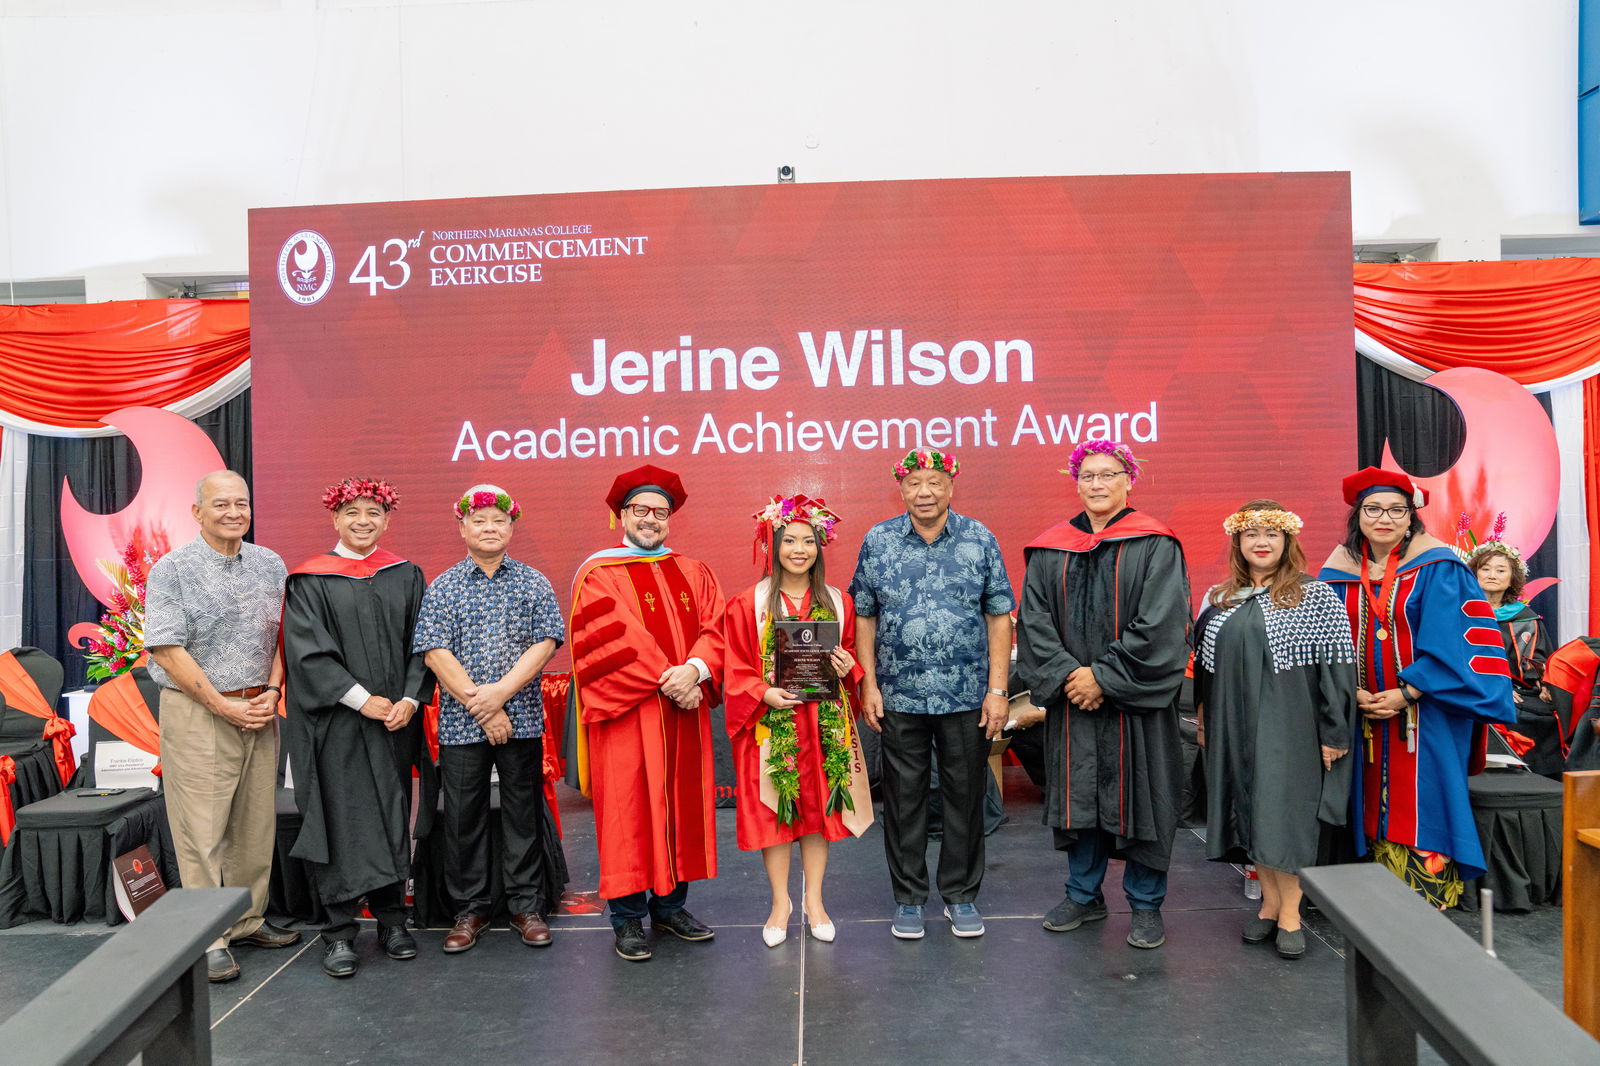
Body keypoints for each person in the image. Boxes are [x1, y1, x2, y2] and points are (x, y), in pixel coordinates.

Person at [1015, 440, 1190, 951]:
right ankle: (1083, 895)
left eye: (1108, 474)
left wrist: (1104, 678)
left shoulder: (1156, 543)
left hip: (1133, 703)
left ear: (1128, 480)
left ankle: (1145, 905)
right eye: (1088, 475)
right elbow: (1035, 622)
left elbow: (1160, 623)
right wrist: (1073, 676)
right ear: (1076, 483)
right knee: (1079, 799)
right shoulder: (1051, 547)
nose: (1097, 483)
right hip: (1076, 703)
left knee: (1144, 798)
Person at [1318, 467, 1516, 908]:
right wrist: (1350, 691)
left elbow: (1459, 640)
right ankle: (1371, 898)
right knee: (1364, 796)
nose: (1384, 517)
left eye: (1396, 509)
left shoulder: (1439, 567)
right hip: (1360, 712)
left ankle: (1425, 900)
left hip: (1429, 712)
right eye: (1373, 508)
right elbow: (1321, 641)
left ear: (1412, 516)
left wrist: (1408, 691)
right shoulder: (1336, 572)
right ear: (1358, 515)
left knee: (1425, 797)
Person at [849, 449, 1014, 940]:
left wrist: (998, 690)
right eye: (916, 483)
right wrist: (869, 682)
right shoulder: (878, 540)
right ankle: (909, 898)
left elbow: (999, 614)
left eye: (935, 482)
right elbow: (864, 613)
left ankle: (961, 896)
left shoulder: (978, 538)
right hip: (898, 696)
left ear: (951, 486)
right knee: (903, 801)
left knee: (966, 797)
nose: (925, 492)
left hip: (967, 696)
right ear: (901, 488)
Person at [144, 470, 299, 983]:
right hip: (198, 709)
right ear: (197, 512)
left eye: (242, 503)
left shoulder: (269, 563)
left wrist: (273, 692)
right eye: (221, 504)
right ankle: (210, 937)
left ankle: (249, 919)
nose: (234, 512)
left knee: (255, 824)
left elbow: (284, 639)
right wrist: (221, 705)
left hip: (259, 708)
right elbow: (168, 650)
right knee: (201, 830)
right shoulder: (173, 569)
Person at [568, 465, 725, 961]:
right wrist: (674, 680)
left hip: (683, 713)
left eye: (661, 512)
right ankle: (628, 917)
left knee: (679, 807)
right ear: (621, 515)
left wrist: (696, 669)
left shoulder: (694, 570)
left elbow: (716, 626)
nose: (652, 519)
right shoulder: (598, 574)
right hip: (628, 716)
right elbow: (611, 639)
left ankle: (671, 906)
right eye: (641, 510)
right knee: (629, 811)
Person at [282, 478, 436, 978]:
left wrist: (411, 698)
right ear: (335, 519)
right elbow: (306, 655)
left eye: (373, 512)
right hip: (339, 725)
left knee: (392, 813)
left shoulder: (406, 574)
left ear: (387, 520)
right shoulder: (309, 581)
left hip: (397, 720)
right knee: (340, 816)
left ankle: (393, 920)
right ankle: (339, 931)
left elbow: (425, 643)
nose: (363, 520)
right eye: (352, 512)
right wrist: (361, 699)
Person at [1192, 500, 1357, 960]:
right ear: (1238, 544)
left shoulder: (1315, 595)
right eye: (1251, 535)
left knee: (1284, 817)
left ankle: (1291, 912)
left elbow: (1336, 672)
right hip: (1231, 727)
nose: (1261, 542)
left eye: (1271, 534)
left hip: (1291, 727)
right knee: (1249, 813)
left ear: (1288, 542)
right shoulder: (1220, 598)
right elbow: (1205, 672)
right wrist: (1204, 721)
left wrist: (1333, 733)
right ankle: (1268, 903)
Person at [412, 484, 564, 954]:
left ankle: (526, 906)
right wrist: (484, 707)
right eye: (479, 521)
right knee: (463, 818)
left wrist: (500, 697)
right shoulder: (444, 586)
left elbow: (545, 644)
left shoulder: (533, 581)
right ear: (462, 528)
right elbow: (435, 653)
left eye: (499, 521)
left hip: (521, 719)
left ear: (511, 527)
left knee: (522, 814)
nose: (490, 528)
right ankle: (469, 909)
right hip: (462, 725)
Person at [723, 494, 870, 947]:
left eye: (809, 541)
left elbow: (852, 662)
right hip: (771, 721)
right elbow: (734, 664)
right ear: (774, 545)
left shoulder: (839, 602)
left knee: (816, 812)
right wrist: (763, 691)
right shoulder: (751, 603)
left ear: (820, 547)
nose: (799, 549)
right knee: (775, 813)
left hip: (821, 724)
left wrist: (849, 669)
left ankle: (816, 901)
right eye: (790, 541)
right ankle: (779, 903)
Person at [1466, 540, 1561, 776]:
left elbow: (1541, 658)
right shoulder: (1462, 612)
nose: (1492, 575)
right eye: (1485, 569)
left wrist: (1545, 683)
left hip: (1522, 688)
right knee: (1509, 712)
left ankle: (1542, 783)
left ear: (1512, 578)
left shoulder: (1524, 617)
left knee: (1546, 715)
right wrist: (1498, 684)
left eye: (1501, 570)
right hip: (1476, 686)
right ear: (1474, 572)